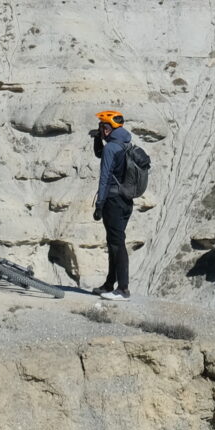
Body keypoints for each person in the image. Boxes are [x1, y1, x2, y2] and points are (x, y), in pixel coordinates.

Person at [90, 109, 146, 299]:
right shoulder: (124, 143)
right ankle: (109, 284)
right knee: (114, 241)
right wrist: (98, 139)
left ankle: (122, 289)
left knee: (117, 244)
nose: (100, 129)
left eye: (101, 126)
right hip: (125, 201)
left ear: (107, 128)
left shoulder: (111, 148)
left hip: (112, 201)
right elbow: (102, 154)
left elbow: (104, 177)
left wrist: (99, 204)